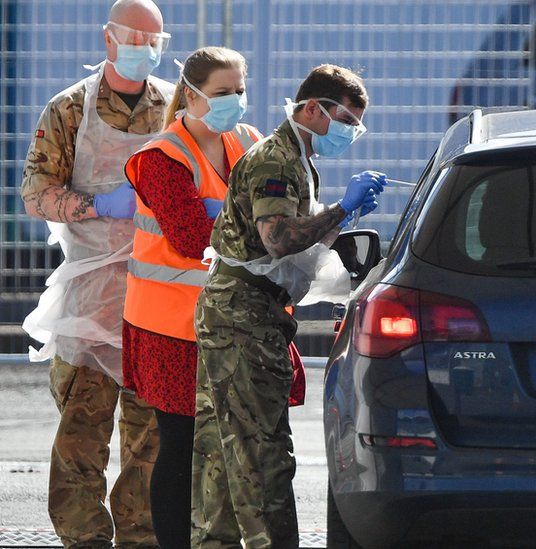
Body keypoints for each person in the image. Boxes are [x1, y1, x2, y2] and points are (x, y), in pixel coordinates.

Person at [192, 64, 383, 547]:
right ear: (313, 108)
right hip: (243, 318)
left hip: (241, 314)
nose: (350, 133)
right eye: (346, 120)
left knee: (221, 454)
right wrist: (342, 210)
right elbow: (277, 238)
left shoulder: (296, 160)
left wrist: (342, 215)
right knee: (261, 456)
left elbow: (291, 238)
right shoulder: (276, 160)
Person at [19, 1, 173, 547]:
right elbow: (35, 194)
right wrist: (97, 206)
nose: (148, 50)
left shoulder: (174, 107)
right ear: (109, 39)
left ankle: (140, 536)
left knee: (149, 436)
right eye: (137, 38)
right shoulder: (69, 109)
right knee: (81, 434)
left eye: (157, 40)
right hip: (91, 296)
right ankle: (83, 539)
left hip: (156, 294)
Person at [121, 46, 261, 549]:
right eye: (224, 93)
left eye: (241, 91)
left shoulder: (247, 140)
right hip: (172, 330)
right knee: (180, 447)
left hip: (236, 322)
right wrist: (269, 232)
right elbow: (190, 237)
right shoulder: (161, 156)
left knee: (237, 448)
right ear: (194, 93)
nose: (236, 103)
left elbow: (281, 207)